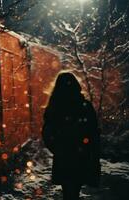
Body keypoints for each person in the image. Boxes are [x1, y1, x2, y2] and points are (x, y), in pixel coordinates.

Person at [42, 72, 101, 200]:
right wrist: (90, 150)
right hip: (81, 156)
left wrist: (58, 149)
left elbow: (47, 134)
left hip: (64, 158)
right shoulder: (84, 105)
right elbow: (93, 132)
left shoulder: (54, 107)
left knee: (68, 191)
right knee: (75, 189)